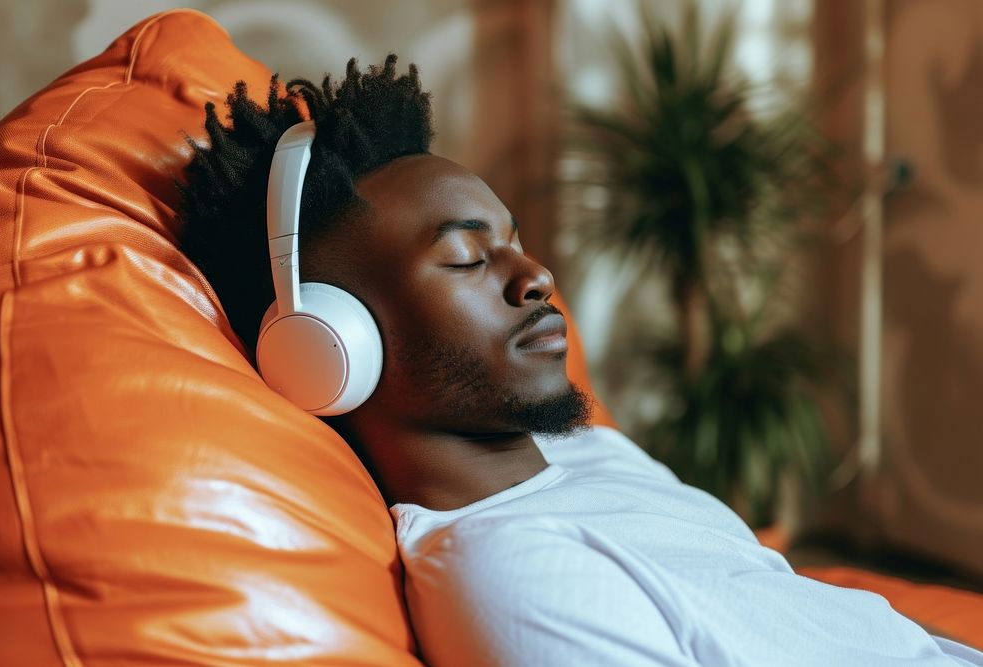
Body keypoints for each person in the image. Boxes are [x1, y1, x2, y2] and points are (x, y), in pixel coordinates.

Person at [177, 56, 983, 666]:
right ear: (330, 345)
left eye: (514, 241)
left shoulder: (589, 447)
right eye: (465, 258)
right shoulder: (517, 576)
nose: (536, 277)